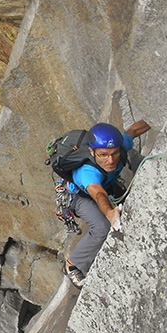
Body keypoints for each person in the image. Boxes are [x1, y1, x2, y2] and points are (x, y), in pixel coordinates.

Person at [62, 120, 150, 287]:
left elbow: (134, 130)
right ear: (92, 151)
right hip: (78, 196)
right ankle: (72, 265)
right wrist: (110, 213)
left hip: (106, 185)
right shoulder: (87, 173)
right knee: (101, 226)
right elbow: (98, 193)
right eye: (103, 155)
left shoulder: (119, 144)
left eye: (114, 153)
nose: (110, 160)